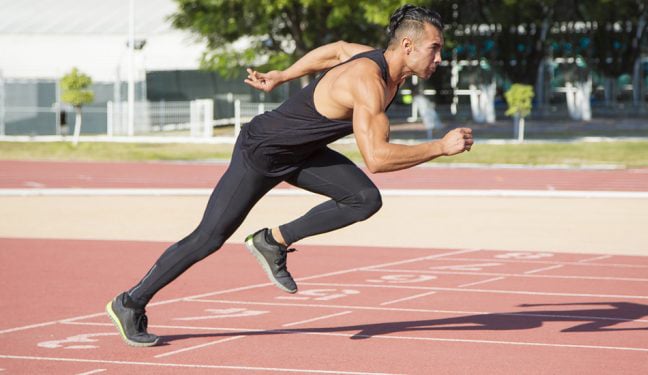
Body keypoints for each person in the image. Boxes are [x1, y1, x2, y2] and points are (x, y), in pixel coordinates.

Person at [106, 4, 473, 347]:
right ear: (407, 46)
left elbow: (336, 50)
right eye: (434, 49)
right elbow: (376, 158)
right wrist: (439, 148)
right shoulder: (369, 80)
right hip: (261, 152)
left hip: (301, 155)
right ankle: (130, 302)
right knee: (209, 238)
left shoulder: (380, 64)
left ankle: (273, 241)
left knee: (364, 199)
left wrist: (284, 75)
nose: (439, 59)